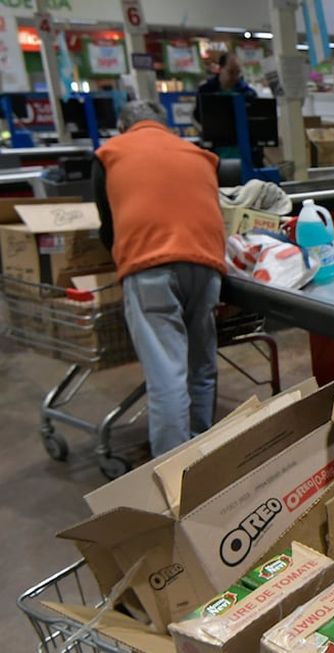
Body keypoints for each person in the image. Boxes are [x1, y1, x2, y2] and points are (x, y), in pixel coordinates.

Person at [93, 101, 226, 457]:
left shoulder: (110, 153)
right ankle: (202, 456)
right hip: (207, 261)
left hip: (149, 264)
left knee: (167, 375)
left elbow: (109, 227)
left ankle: (173, 477)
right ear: (163, 123)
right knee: (201, 365)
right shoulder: (198, 154)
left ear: (125, 127)